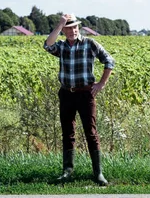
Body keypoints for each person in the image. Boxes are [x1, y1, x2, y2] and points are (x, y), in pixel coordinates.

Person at [43, 13, 114, 186]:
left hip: (85, 94)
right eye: (68, 28)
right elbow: (47, 45)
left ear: (78, 28)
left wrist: (101, 84)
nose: (72, 31)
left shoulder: (89, 44)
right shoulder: (60, 47)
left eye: (74, 27)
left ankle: (98, 173)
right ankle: (67, 171)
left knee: (91, 132)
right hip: (66, 93)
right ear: (64, 30)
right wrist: (59, 24)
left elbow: (109, 61)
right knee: (67, 132)